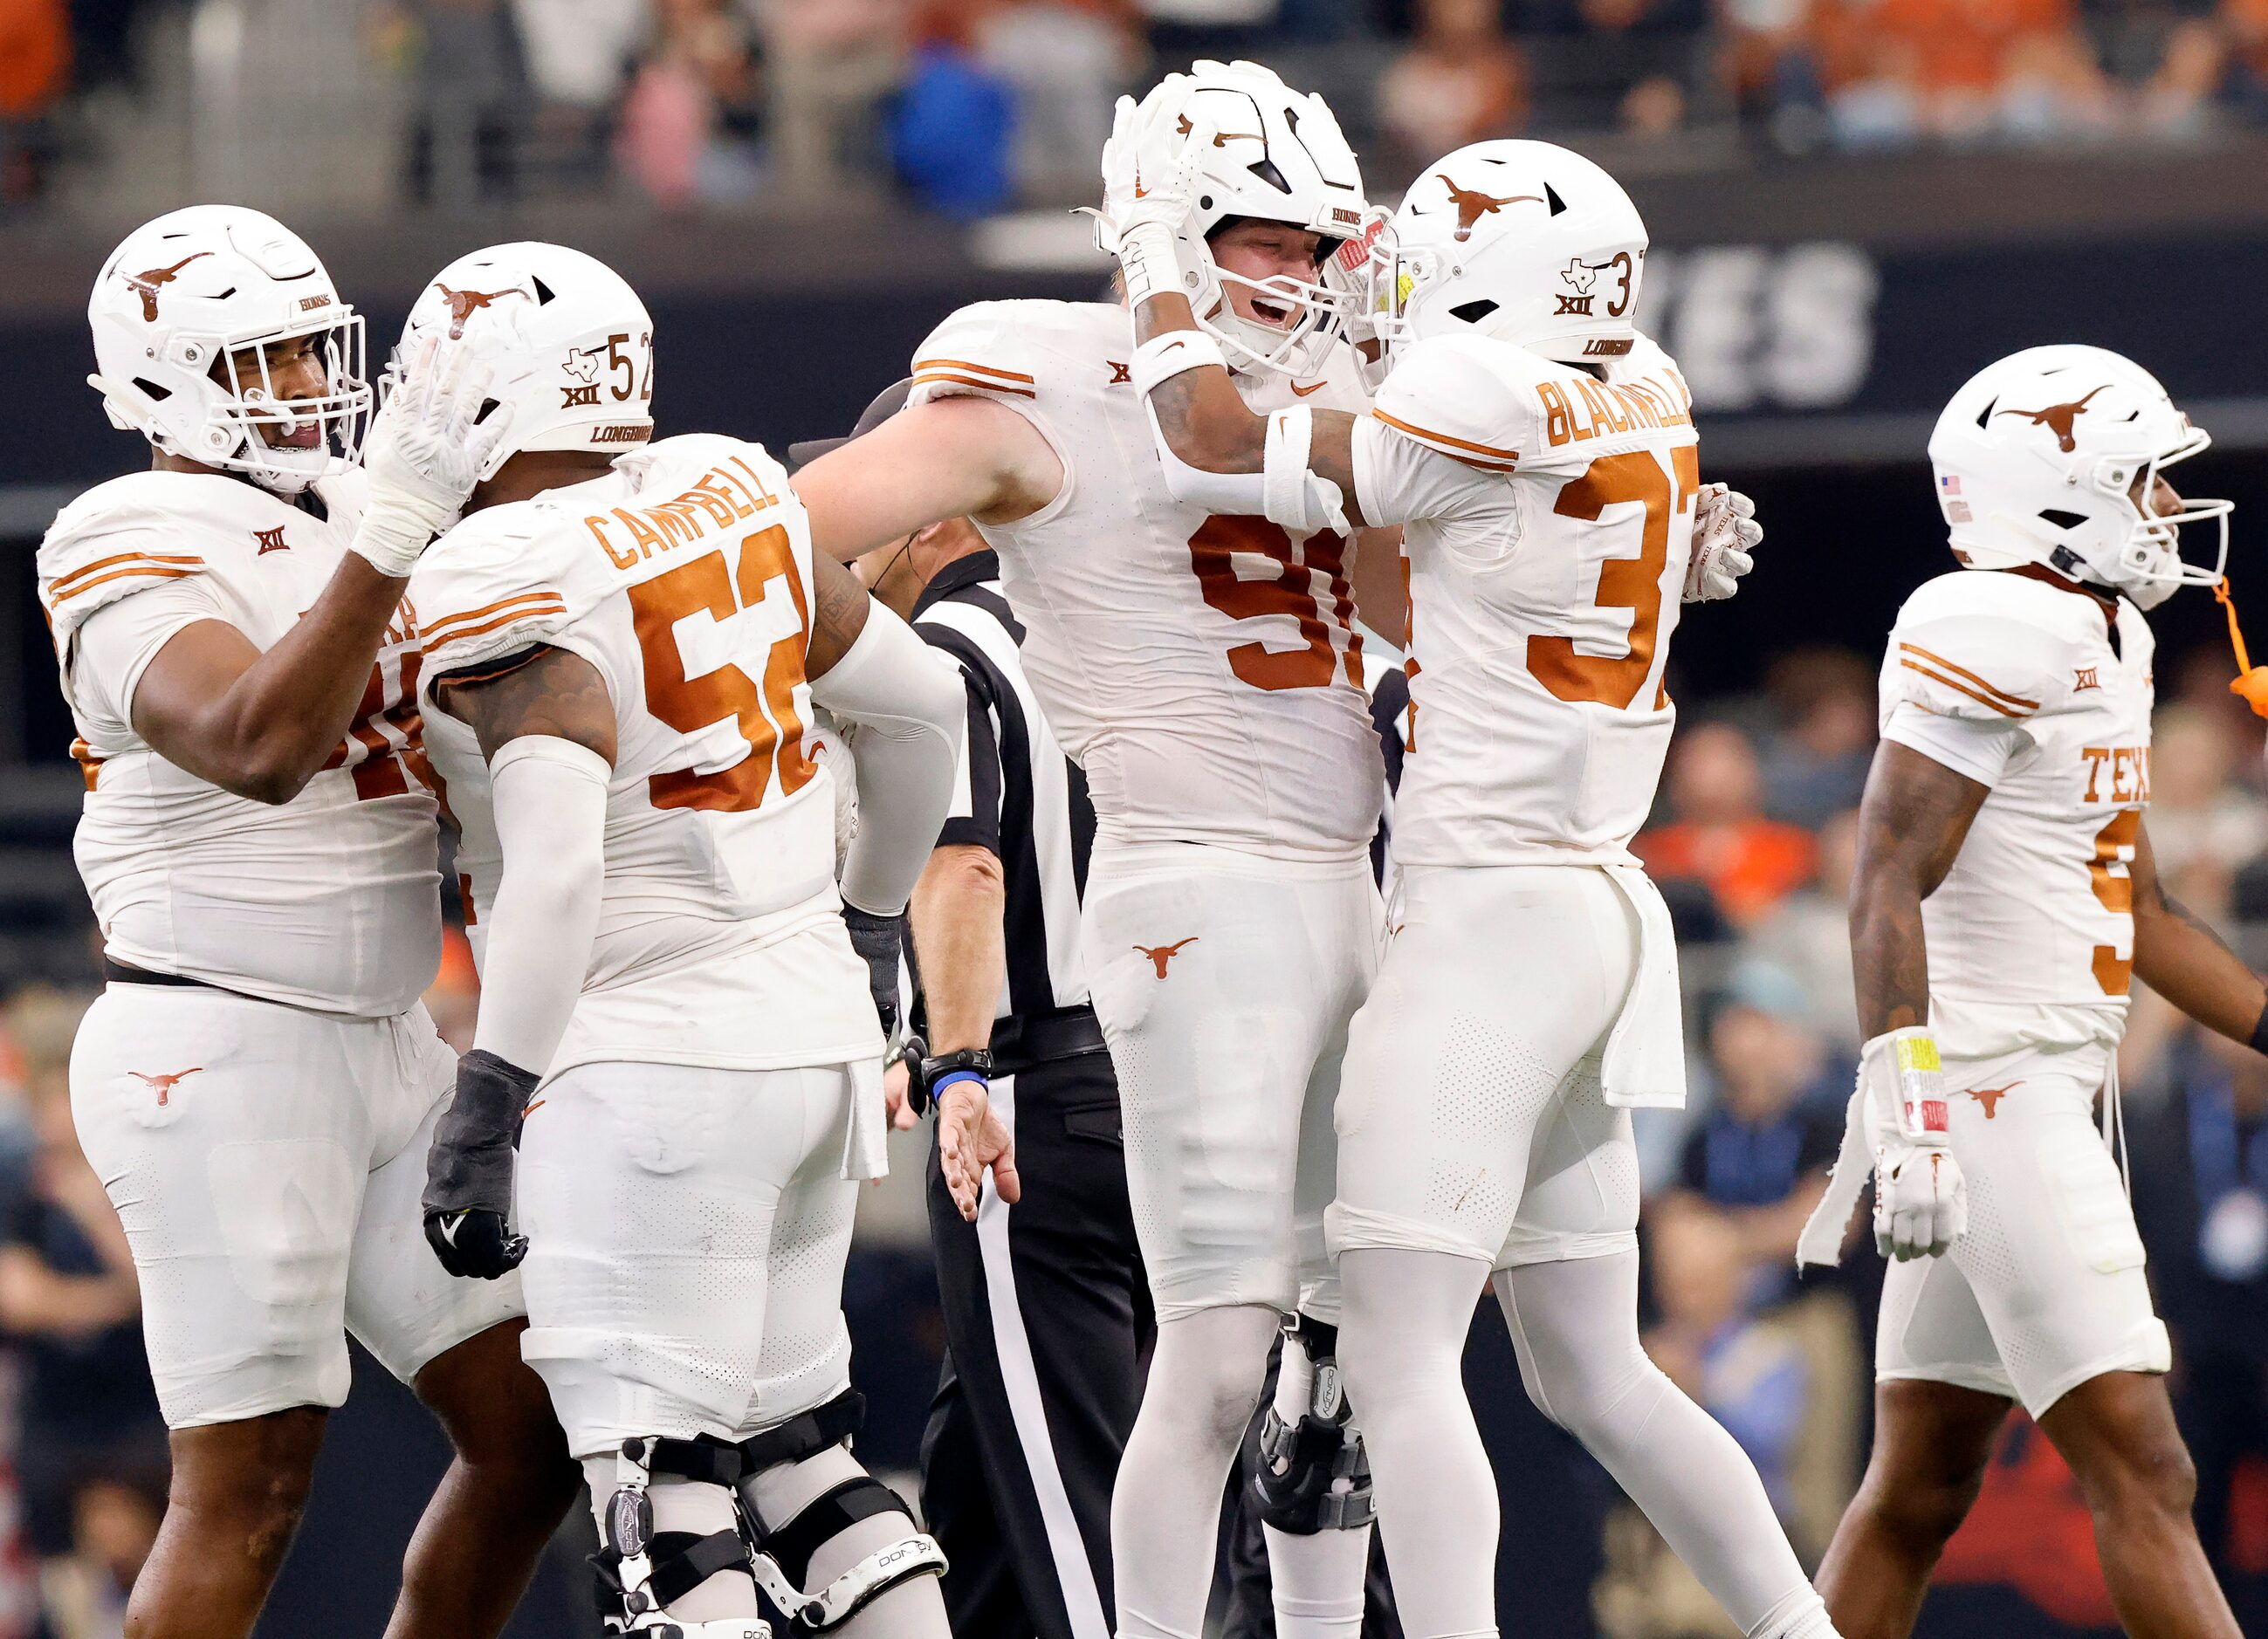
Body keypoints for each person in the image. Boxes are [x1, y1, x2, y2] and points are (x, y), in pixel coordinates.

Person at [1106, 96, 1850, 1639]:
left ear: (1491, 279)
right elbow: (1444, 589)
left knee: (1392, 1358)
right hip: (1593, 909)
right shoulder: (1642, 381)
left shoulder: (1472, 389)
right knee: (1592, 1369)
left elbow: (1207, 439)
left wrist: (1148, 254)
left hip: (1485, 925)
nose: (1385, 282)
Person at [788, 60, 1395, 1639]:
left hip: (1324, 900)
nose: (1310, 278)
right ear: (1172, 233)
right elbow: (787, 540)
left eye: (1320, 245)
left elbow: (1408, 621)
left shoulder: (1335, 390)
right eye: (1271, 240)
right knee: (1219, 1369)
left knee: (1334, 1367)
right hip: (1183, 917)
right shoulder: (1037, 391)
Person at [401, 241, 971, 1639]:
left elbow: (555, 868)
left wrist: (489, 1095)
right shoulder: (731, 487)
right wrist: (875, 915)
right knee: (806, 1463)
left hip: (647, 1062)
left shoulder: (505, 568)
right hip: (810, 1040)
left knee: (664, 1511)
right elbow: (919, 711)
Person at [34, 204, 579, 1639]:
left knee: (536, 1436)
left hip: (391, 1041)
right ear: (162, 383)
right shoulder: (123, 533)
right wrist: (395, 534)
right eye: (264, 365)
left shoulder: (349, 513)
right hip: (216, 1043)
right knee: (253, 1485)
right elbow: (257, 740)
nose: (308, 391)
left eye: (308, 353)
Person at [1798, 343, 2251, 1639]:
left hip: (2042, 1084)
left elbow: (2140, 910)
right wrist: (1911, 1100)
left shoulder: (2105, 628)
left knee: (1919, 1487)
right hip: (1989, 1098)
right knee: (2147, 1467)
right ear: (2062, 495)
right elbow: (1885, 870)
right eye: (2147, 484)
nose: (2170, 511)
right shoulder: (1989, 622)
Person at [794, 383, 1151, 1639]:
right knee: (990, 1463)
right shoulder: (1115, 628)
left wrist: (947, 1061)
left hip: (1031, 1093)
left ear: (939, 513)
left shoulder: (945, 653)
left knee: (1076, 1493)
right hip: (1160, 1080)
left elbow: (966, 863)